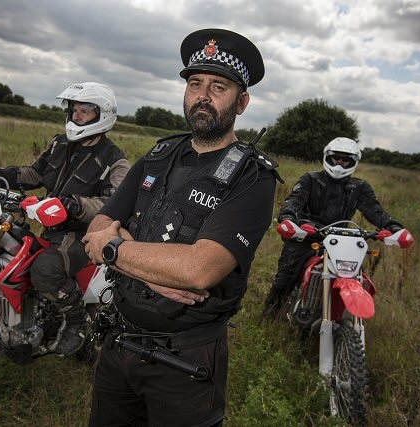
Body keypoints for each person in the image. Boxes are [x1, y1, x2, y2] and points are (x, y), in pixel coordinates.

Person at [82, 28, 281, 426]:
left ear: (242, 101)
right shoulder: (158, 156)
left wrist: (116, 251)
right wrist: (148, 269)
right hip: (118, 342)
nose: (202, 95)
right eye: (195, 84)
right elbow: (97, 227)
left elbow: (198, 270)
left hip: (185, 361)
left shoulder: (252, 179)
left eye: (218, 86)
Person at [0, 82, 131, 356]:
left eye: (85, 111)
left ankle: (76, 322)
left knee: (45, 269)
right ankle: (11, 317)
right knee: (2, 249)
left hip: (83, 235)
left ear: (102, 115)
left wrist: (74, 204)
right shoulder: (60, 144)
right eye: (75, 109)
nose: (77, 116)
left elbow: (115, 203)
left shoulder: (115, 161)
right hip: (51, 229)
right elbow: (33, 174)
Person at [261, 136, 407, 320]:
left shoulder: (359, 187)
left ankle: (341, 315)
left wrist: (394, 227)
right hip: (306, 237)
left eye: (345, 159)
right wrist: (289, 219)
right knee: (284, 280)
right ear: (327, 157)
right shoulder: (310, 180)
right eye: (336, 157)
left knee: (355, 277)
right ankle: (268, 319)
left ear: (353, 162)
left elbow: (375, 211)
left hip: (341, 242)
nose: (339, 162)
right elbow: (294, 200)